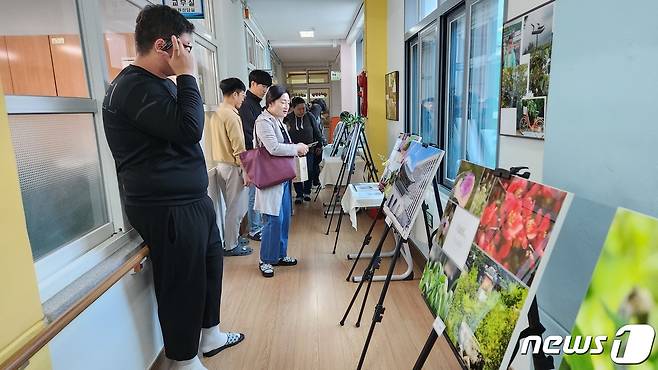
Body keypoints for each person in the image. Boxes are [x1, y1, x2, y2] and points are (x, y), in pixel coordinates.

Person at [102, 6, 243, 370]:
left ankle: (210, 334)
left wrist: (182, 79)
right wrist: (188, 76)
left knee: (210, 267)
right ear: (164, 45)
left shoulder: (157, 85)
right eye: (186, 46)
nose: (190, 55)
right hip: (165, 207)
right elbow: (189, 129)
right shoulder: (131, 87)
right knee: (182, 284)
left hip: (190, 200)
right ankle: (183, 359)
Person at [253, 85, 308, 277]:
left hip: (282, 178)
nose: (286, 106)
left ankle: (279, 255)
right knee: (272, 220)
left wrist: (297, 147)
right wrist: (296, 148)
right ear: (270, 103)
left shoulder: (279, 121)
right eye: (282, 102)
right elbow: (273, 148)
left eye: (287, 102)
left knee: (284, 219)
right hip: (270, 179)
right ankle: (265, 259)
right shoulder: (263, 122)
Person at [207, 77, 253, 256]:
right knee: (237, 208)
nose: (243, 99)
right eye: (242, 95)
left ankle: (232, 238)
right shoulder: (232, 115)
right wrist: (247, 172)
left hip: (219, 165)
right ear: (235, 93)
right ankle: (231, 245)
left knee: (230, 207)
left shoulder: (217, 112)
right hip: (233, 167)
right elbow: (239, 148)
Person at [239, 70, 272, 242]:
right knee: (254, 193)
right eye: (263, 86)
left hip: (258, 154)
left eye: (267, 87)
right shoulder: (246, 104)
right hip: (252, 154)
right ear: (252, 83)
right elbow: (248, 133)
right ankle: (254, 229)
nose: (265, 90)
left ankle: (258, 226)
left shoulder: (257, 104)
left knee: (259, 191)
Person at [284, 97, 323, 203]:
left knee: (309, 170)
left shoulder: (309, 116)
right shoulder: (288, 118)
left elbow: (317, 131)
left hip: (309, 149)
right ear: (293, 108)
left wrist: (319, 145)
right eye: (299, 109)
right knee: (296, 173)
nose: (302, 111)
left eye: (304, 108)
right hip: (294, 150)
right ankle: (299, 194)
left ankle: (307, 192)